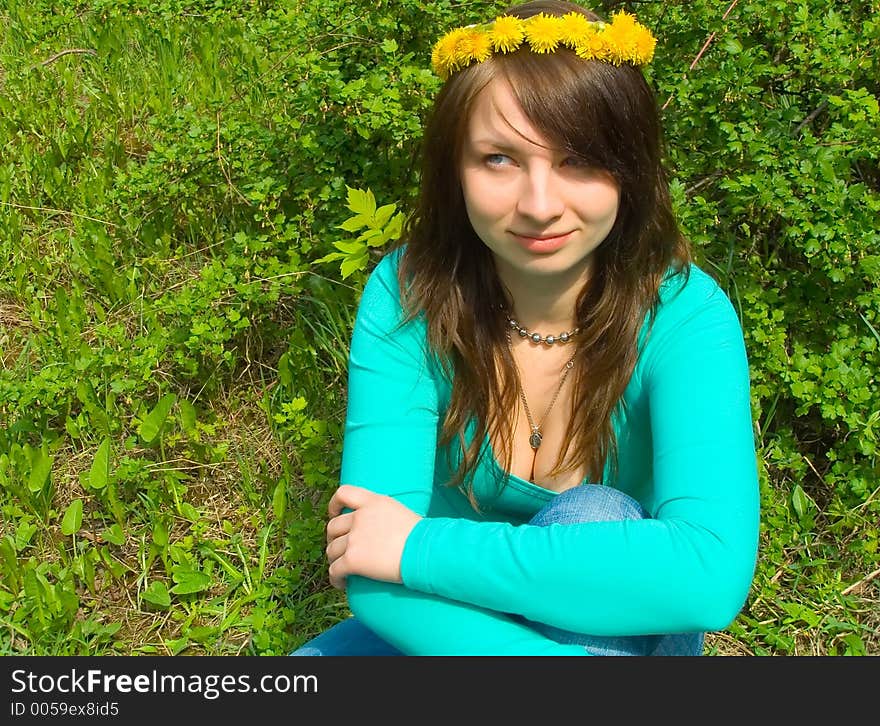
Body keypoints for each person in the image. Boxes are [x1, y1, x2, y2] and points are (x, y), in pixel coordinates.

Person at [291, 0, 760, 656]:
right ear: (455, 170)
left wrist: (416, 546)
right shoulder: (408, 296)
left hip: (613, 627)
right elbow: (368, 573)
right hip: (440, 623)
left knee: (595, 517)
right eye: (499, 160)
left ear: (629, 169)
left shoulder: (686, 317)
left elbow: (708, 576)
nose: (540, 206)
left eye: (578, 160)